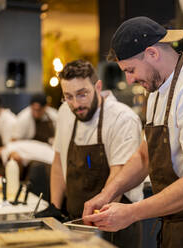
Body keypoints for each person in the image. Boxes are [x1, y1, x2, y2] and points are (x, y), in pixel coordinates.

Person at [82, 16, 183, 248]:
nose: (129, 79)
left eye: (131, 69)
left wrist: (131, 213)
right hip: (175, 221)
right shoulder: (158, 89)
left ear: (152, 53)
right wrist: (107, 193)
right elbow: (145, 156)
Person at [35, 59, 144, 247]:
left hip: (115, 227)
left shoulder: (122, 119)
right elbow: (59, 162)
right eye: (68, 97)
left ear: (98, 87)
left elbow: (118, 177)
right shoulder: (64, 112)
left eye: (82, 94)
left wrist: (91, 224)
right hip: (77, 224)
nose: (76, 104)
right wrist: (55, 207)